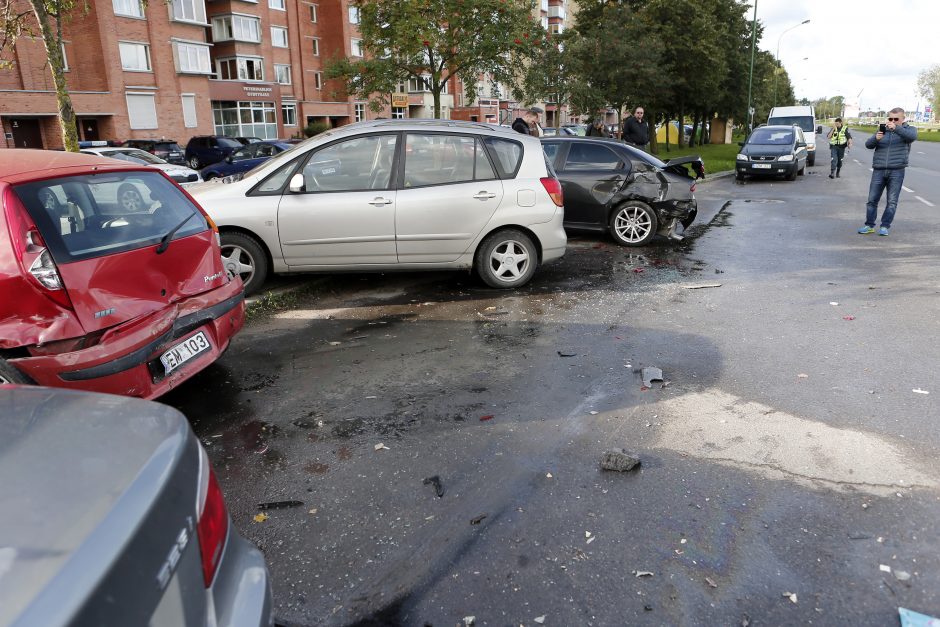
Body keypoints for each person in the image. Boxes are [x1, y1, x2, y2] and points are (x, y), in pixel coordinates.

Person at [858, 107, 917, 236]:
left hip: (897, 170)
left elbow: (912, 137)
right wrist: (876, 138)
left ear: (903, 119)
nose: (893, 121)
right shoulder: (882, 130)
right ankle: (869, 225)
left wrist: (896, 128)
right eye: (890, 119)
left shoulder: (908, 130)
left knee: (892, 201)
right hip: (879, 170)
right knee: (872, 200)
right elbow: (868, 145)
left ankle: (885, 226)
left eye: (896, 119)